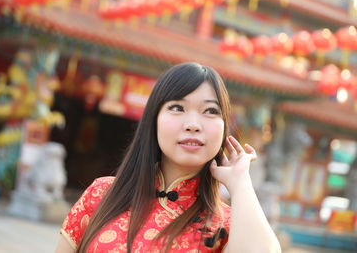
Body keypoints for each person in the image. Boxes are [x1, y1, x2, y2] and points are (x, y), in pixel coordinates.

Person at [55, 62, 281, 253]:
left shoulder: (227, 226)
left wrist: (240, 182)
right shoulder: (102, 195)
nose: (193, 125)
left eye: (210, 111)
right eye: (177, 108)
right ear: (154, 120)